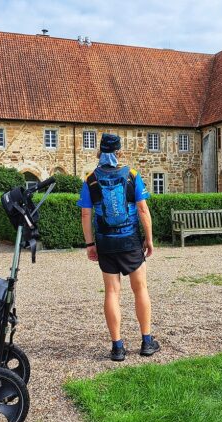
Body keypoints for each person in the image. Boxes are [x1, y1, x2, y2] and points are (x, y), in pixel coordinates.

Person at [77, 133, 160, 362]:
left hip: (105, 241)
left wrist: (90, 244)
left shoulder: (91, 179)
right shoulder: (132, 175)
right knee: (140, 289)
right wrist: (149, 240)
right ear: (119, 153)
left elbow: (86, 213)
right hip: (130, 241)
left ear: (99, 152)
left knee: (112, 292)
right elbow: (143, 210)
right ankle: (146, 342)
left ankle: (117, 347)